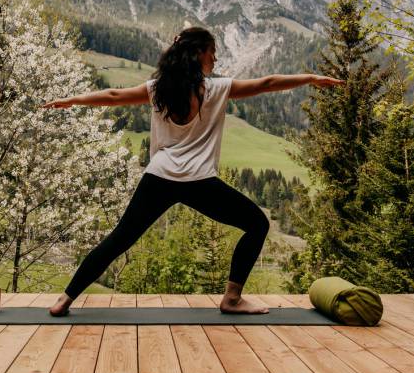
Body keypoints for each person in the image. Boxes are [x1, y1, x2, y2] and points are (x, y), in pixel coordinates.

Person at [40, 27, 344, 316]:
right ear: (198, 53)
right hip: (199, 182)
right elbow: (267, 83)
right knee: (257, 224)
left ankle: (64, 299)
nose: (215, 59)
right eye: (212, 52)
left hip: (159, 178)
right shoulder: (217, 89)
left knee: (120, 238)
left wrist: (72, 101)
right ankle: (232, 299)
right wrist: (310, 78)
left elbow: (113, 97)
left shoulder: (159, 89)